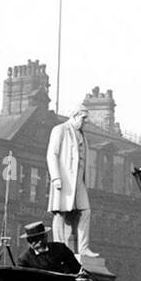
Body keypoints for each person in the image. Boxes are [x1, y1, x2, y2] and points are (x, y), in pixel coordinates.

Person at [47, 108, 96, 256]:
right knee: (60, 213)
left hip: (79, 181)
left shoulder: (82, 135)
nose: (85, 121)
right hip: (65, 179)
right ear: (74, 116)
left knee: (85, 211)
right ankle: (59, 246)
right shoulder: (60, 129)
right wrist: (55, 177)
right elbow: (52, 154)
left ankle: (83, 248)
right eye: (83, 118)